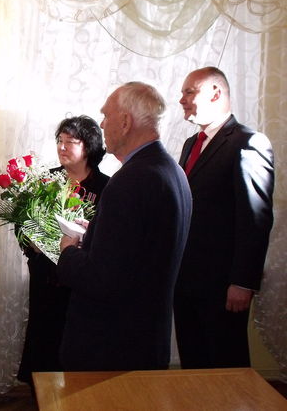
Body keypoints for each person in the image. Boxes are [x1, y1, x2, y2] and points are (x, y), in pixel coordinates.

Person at [57, 82, 192, 371]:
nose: (102, 124)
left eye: (106, 116)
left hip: (112, 345)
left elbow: (101, 278)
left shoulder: (131, 180)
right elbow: (139, 249)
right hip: (145, 337)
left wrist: (68, 251)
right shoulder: (172, 170)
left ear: (126, 122)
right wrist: (95, 232)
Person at [174, 67, 274, 368]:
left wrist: (242, 282)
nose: (182, 99)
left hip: (222, 286)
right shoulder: (191, 144)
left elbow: (255, 219)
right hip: (187, 281)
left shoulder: (248, 142)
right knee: (194, 364)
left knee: (226, 366)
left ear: (215, 93)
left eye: (189, 92)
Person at [17, 115, 109, 386]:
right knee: (42, 342)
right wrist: (31, 242)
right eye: (59, 140)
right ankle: (41, 395)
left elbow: (109, 237)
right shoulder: (45, 180)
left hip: (81, 283)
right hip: (46, 278)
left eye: (71, 141)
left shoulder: (106, 187)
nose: (62, 147)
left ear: (89, 146)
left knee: (77, 346)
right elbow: (21, 223)